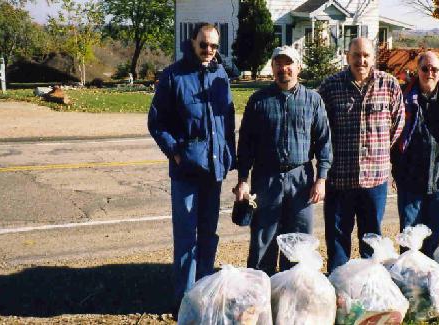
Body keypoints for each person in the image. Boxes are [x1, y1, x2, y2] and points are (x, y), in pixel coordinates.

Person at [147, 23, 236, 311]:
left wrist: (228, 155)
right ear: (193, 42)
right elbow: (156, 122)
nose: (208, 50)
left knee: (208, 235)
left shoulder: (220, 75)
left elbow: (227, 120)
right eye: (203, 44)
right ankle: (185, 301)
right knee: (187, 237)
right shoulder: (174, 75)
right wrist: (175, 152)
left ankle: (205, 294)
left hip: (214, 171)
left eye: (213, 46)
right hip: (186, 172)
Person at [234, 45, 332, 275]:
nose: (283, 68)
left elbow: (324, 142)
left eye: (288, 63)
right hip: (266, 178)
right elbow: (246, 144)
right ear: (273, 67)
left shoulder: (313, 100)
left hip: (301, 179)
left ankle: (293, 294)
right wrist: (242, 179)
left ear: (298, 67)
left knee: (298, 240)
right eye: (278, 63)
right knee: (263, 238)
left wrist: (322, 178)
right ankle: (262, 292)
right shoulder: (259, 101)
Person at [318, 38, 405, 272]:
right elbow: (319, 127)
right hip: (339, 178)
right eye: (356, 55)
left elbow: (398, 124)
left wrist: (379, 151)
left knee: (371, 239)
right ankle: (338, 286)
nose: (361, 60)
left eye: (366, 55)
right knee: (337, 239)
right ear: (347, 56)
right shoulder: (330, 86)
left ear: (373, 57)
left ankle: (370, 287)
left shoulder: (389, 85)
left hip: (375, 179)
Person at [391, 50, 439, 257]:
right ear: (417, 70)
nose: (429, 73)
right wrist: (397, 169)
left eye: (434, 69)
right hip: (409, 178)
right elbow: (392, 136)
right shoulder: (402, 98)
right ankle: (408, 274)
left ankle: (430, 270)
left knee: (434, 230)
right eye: (425, 68)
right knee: (410, 231)